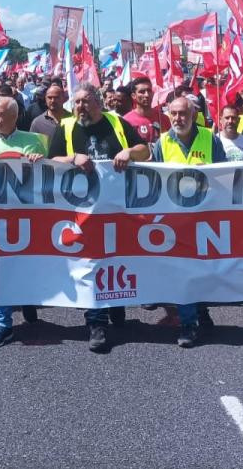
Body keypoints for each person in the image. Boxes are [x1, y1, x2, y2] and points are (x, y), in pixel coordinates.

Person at [48, 82, 148, 353]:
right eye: (76, 102)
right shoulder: (66, 127)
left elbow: (145, 150)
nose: (80, 107)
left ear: (98, 103)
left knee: (117, 257)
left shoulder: (117, 123)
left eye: (85, 102)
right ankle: (96, 323)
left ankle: (115, 303)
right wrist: (72, 158)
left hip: (117, 209)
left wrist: (129, 152)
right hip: (83, 211)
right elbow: (51, 160)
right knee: (90, 263)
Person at [0, 96, 49, 347]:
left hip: (27, 217)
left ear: (14, 117)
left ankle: (27, 298)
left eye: (0, 114)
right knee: (0, 270)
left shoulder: (35, 141)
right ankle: (4, 324)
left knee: (25, 264)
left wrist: (40, 160)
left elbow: (49, 176)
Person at [149, 96, 223, 347]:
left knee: (203, 271)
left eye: (183, 114)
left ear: (193, 115)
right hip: (174, 220)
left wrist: (209, 172)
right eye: (174, 114)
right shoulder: (162, 142)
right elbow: (155, 180)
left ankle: (201, 310)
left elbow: (226, 173)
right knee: (182, 272)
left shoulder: (210, 139)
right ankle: (188, 324)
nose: (178, 118)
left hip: (205, 217)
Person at [123, 76, 166, 142]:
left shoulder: (164, 118)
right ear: (133, 96)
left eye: (149, 91)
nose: (147, 95)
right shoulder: (126, 121)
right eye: (142, 92)